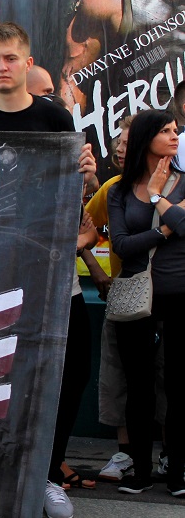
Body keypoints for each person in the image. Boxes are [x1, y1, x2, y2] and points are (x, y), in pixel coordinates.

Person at [0, 21, 98, 518]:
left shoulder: (54, 117)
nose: (2, 67)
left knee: (67, 367)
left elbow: (75, 191)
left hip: (50, 265)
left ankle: (47, 473)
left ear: (28, 61)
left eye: (10, 58)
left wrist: (86, 174)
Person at [108, 109, 185, 498]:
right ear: (145, 138)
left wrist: (158, 197)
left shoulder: (183, 182)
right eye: (165, 131)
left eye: (175, 130)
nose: (175, 136)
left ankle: (177, 472)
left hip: (180, 294)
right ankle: (139, 471)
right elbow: (121, 245)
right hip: (137, 296)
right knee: (138, 387)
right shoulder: (120, 190)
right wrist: (165, 229)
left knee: (178, 385)